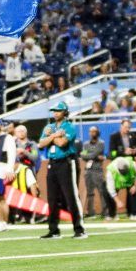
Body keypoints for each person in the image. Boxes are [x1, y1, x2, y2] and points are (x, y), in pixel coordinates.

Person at [38, 102, 86, 239]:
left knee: (71, 197)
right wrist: (55, 135)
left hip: (66, 163)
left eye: (58, 110)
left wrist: (51, 136)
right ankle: (53, 230)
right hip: (52, 163)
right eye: (54, 111)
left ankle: (79, 229)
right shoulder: (50, 127)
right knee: (52, 198)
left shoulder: (69, 126)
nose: (55, 113)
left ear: (65, 112)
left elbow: (62, 143)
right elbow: (41, 144)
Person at [80, 124, 112, 222]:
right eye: (90, 131)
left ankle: (105, 211)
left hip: (98, 170)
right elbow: (83, 155)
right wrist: (93, 156)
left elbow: (96, 153)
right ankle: (90, 212)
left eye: (94, 131)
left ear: (97, 132)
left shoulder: (101, 143)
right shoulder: (85, 144)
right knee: (90, 192)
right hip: (88, 171)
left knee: (102, 191)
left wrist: (91, 155)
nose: (92, 133)